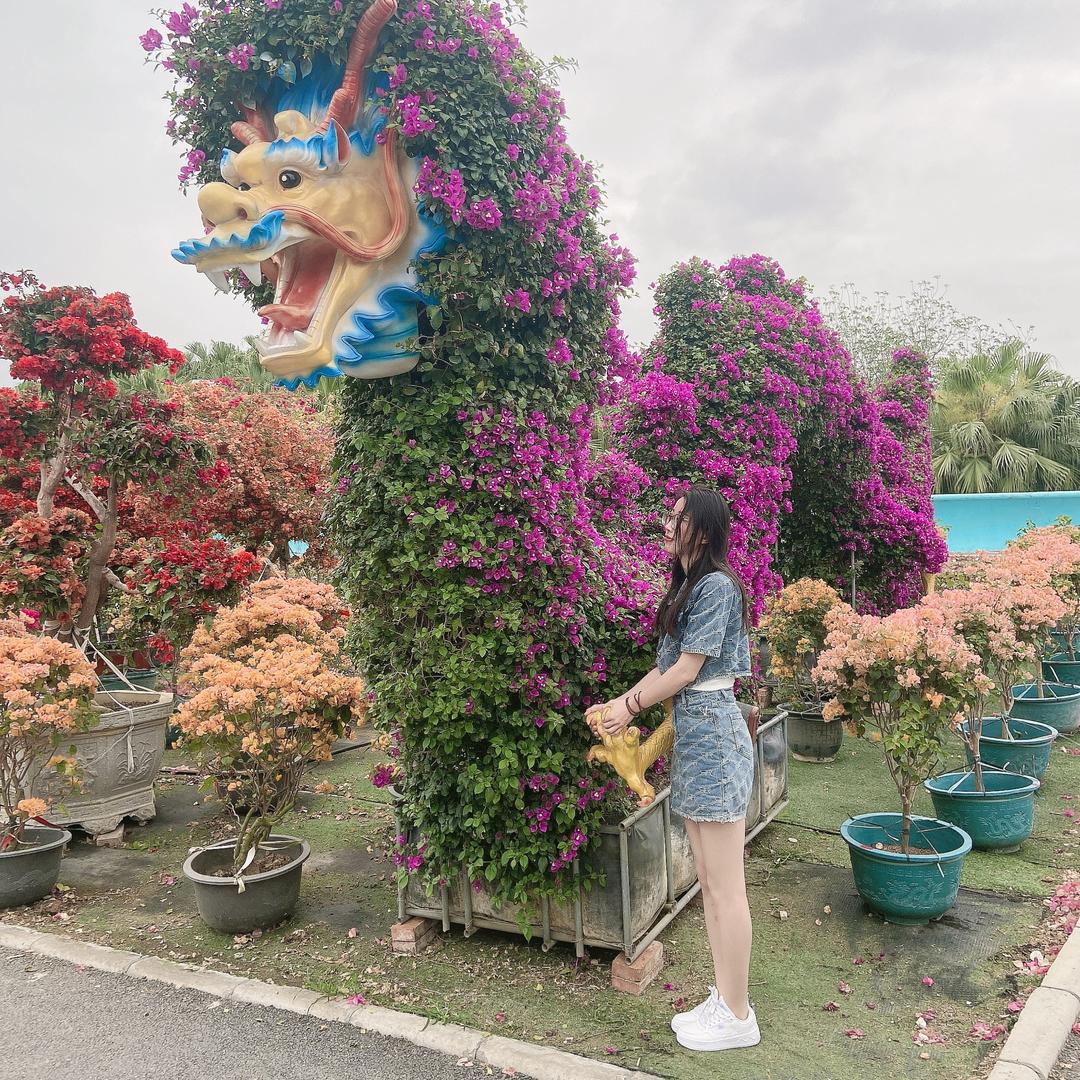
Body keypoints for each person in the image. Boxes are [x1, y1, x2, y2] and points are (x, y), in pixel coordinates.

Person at [585, 487, 760, 1052]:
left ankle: (737, 1014)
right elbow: (662, 672)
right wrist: (618, 708)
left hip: (714, 734)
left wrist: (627, 708)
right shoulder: (688, 588)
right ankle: (726, 998)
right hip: (696, 736)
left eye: (678, 518)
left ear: (702, 532)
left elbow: (687, 671)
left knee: (726, 887)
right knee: (708, 883)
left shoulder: (716, 586)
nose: (668, 524)